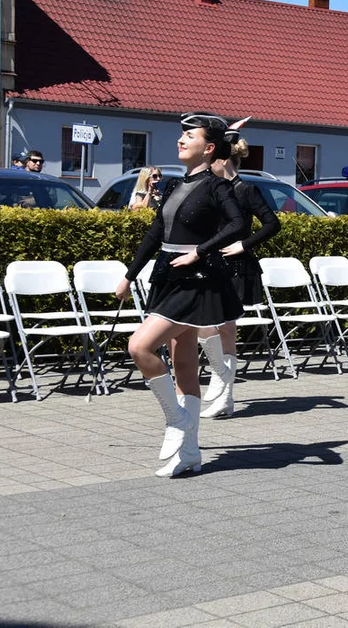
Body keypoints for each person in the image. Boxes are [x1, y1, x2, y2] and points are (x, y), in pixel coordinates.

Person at [115, 112, 246, 477]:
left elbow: (240, 224)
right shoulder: (174, 185)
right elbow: (155, 233)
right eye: (182, 134)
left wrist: (201, 251)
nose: (181, 139)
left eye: (190, 135)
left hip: (196, 279)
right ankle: (189, 453)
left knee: (139, 346)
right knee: (184, 364)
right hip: (167, 277)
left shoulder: (216, 186)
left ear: (208, 148)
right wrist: (129, 276)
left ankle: (177, 421)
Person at [197, 128, 280, 418]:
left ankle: (226, 395)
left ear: (224, 161)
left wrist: (243, 245)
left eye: (213, 162)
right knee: (203, 325)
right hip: (210, 264)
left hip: (234, 266)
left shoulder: (246, 190)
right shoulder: (212, 188)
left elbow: (272, 224)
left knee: (226, 330)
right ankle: (220, 377)